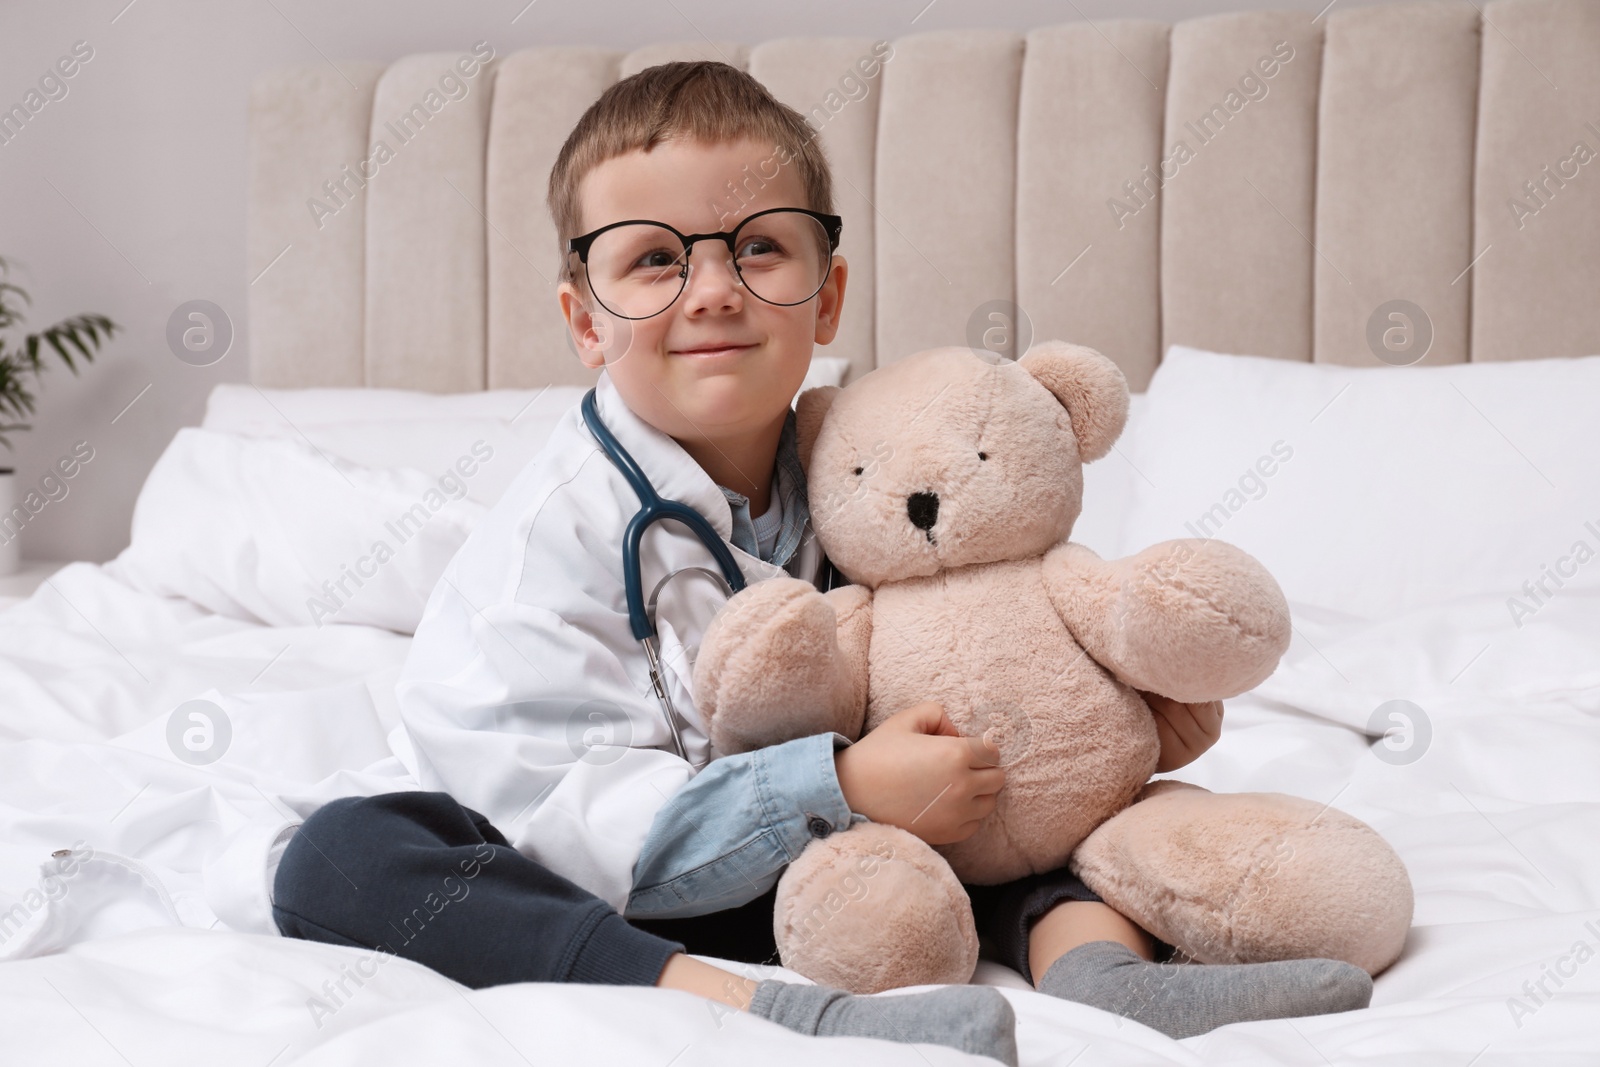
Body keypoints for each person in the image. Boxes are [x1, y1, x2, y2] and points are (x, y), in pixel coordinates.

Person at [271, 60, 1370, 1054]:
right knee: (341, 853)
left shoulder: (864, 467)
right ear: (584, 320)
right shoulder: (553, 538)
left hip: (844, 857)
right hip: (599, 868)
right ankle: (754, 1004)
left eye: (758, 246)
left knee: (1015, 794)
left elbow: (977, 622)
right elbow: (574, 821)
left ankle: (1104, 973)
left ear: (826, 291)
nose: (712, 289)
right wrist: (837, 782)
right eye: (654, 260)